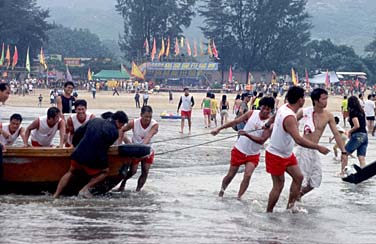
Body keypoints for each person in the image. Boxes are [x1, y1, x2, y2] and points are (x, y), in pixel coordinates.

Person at [265, 86, 329, 213]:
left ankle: (290, 207)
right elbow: (298, 140)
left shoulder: (284, 107)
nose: (304, 99)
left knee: (299, 177)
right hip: (275, 154)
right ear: (300, 100)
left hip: (287, 154)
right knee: (278, 185)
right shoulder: (290, 117)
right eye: (303, 97)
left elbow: (276, 114)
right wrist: (318, 147)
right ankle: (269, 212)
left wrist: (268, 123)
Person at [53, 111, 128, 198]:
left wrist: (76, 146)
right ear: (117, 121)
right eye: (121, 125)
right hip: (92, 158)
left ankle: (56, 194)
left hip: (78, 154)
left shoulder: (94, 120)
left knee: (71, 171)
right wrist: (104, 163)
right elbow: (103, 149)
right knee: (105, 172)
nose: (121, 127)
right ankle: (85, 189)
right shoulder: (114, 132)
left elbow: (78, 133)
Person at [211, 97, 275, 200]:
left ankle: (239, 198)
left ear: (271, 110)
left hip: (253, 154)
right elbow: (236, 122)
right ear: (260, 106)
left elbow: (262, 140)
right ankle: (221, 192)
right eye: (263, 107)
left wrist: (246, 134)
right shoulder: (251, 113)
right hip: (239, 150)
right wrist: (219, 129)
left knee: (248, 175)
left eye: (268, 109)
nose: (264, 111)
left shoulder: (270, 123)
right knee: (230, 175)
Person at [295, 88, 348, 199]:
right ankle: (292, 204)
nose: (326, 101)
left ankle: (297, 196)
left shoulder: (328, 115)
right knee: (301, 179)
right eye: (323, 99)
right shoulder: (305, 112)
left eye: (326, 98)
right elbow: (290, 123)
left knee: (316, 180)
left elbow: (336, 134)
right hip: (303, 149)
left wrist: (343, 151)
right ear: (316, 100)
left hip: (315, 150)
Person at [117, 105, 158, 192]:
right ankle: (123, 182)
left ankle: (138, 190)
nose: (148, 119)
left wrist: (142, 150)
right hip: (135, 150)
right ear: (141, 115)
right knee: (133, 171)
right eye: (146, 117)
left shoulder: (154, 125)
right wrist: (120, 144)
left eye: (150, 117)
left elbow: (148, 137)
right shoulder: (133, 123)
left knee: (145, 171)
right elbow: (121, 130)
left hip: (147, 149)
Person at [344, 96, 368, 171]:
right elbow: (365, 124)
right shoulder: (362, 111)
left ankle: (342, 172)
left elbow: (357, 126)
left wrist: (349, 131)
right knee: (361, 157)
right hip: (365, 135)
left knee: (344, 153)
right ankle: (363, 171)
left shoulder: (353, 112)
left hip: (358, 135)